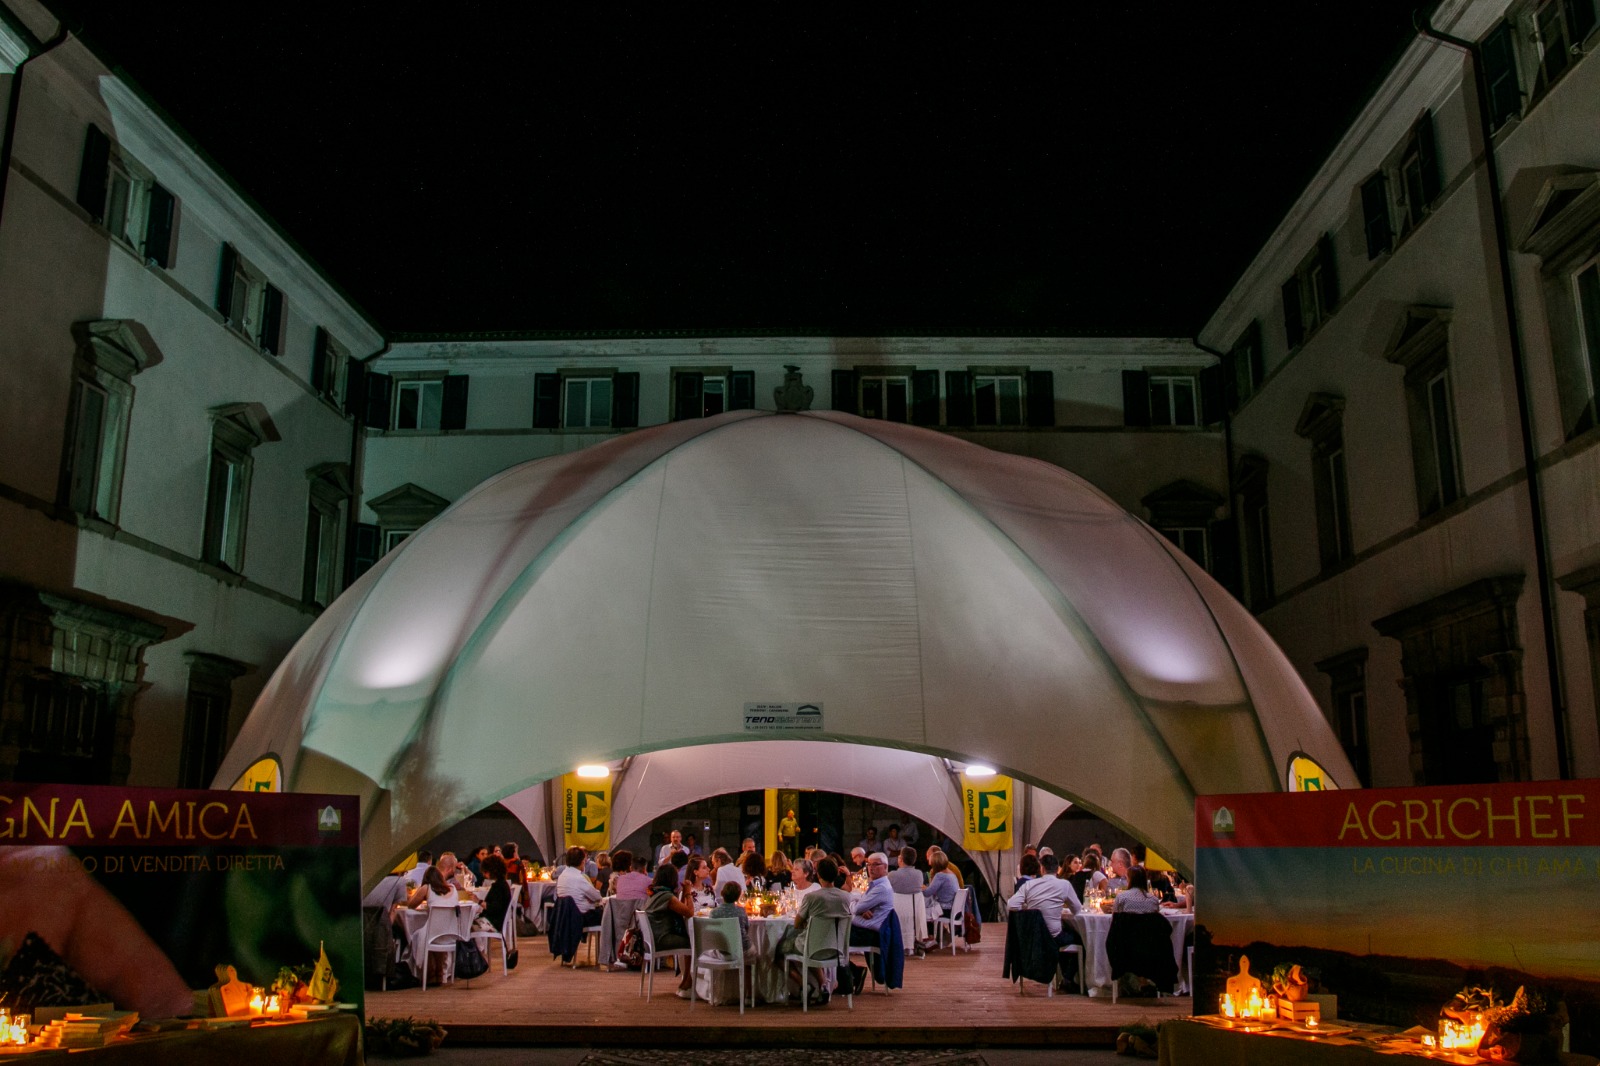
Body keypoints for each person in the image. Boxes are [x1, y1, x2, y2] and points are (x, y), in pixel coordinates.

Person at [772, 856, 852, 1006]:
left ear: (818, 875)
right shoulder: (845, 897)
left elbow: (796, 923)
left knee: (778, 953)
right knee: (813, 942)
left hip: (813, 946)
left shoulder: (812, 897)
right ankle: (822, 986)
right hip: (837, 947)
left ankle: (804, 985)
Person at [1007, 852, 1082, 954]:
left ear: (1042, 869)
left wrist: (1028, 909)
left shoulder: (1029, 885)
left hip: (1033, 937)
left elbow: (1011, 905)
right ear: (1057, 869)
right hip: (1054, 937)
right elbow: (1077, 909)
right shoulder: (1065, 885)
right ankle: (1068, 969)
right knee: (1080, 937)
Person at [845, 851, 895, 993]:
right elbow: (859, 907)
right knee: (833, 935)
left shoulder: (881, 888)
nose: (871, 868)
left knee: (831, 939)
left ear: (885, 867)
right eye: (869, 865)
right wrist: (859, 907)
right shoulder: (875, 885)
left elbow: (855, 906)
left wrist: (855, 901)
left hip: (870, 934)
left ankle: (853, 974)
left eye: (875, 865)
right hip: (865, 930)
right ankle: (850, 975)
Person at [642, 865, 695, 996]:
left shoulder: (654, 893)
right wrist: (688, 892)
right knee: (693, 942)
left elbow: (679, 909)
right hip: (662, 938)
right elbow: (689, 912)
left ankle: (686, 979)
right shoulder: (666, 897)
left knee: (690, 940)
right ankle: (688, 980)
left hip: (652, 938)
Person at [556, 846, 602, 928]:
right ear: (582, 862)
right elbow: (597, 897)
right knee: (607, 916)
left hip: (565, 917)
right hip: (580, 917)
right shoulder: (579, 878)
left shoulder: (562, 876)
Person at [922, 849, 959, 924]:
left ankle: (930, 933)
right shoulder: (951, 874)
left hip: (945, 909)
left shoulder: (940, 875)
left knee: (921, 910)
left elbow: (927, 893)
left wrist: (922, 887)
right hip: (954, 909)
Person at [478, 853, 512, 934]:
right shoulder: (503, 884)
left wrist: (478, 901)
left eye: (485, 872)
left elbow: (494, 908)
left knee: (467, 927)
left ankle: (479, 947)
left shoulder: (498, 887)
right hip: (498, 920)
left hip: (494, 922)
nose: (484, 874)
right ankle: (480, 947)